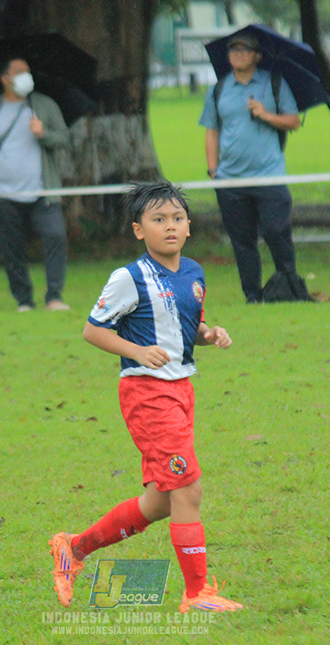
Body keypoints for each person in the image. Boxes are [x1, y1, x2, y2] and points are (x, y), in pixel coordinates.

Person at [49, 181, 242, 613]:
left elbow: (185, 328)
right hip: (147, 394)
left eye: (177, 218)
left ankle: (72, 550)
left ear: (189, 226)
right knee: (188, 489)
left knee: (160, 501)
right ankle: (197, 595)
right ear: (139, 230)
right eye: (158, 220)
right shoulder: (128, 278)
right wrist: (137, 351)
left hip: (182, 390)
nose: (169, 227)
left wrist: (210, 335)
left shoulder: (193, 273)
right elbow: (93, 330)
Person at [199, 31, 306, 304]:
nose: (237, 54)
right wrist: (213, 170)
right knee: (242, 241)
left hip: (268, 175)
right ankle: (252, 294)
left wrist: (265, 114)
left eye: (244, 50)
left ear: (257, 56)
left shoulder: (273, 83)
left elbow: (294, 121)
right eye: (233, 50)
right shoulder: (218, 90)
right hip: (230, 179)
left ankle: (288, 285)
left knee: (275, 231)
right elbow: (211, 130)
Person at [0, 56, 71, 313]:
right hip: (2, 193)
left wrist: (43, 134)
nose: (26, 76)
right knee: (12, 247)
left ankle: (54, 296)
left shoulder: (44, 105)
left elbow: (63, 138)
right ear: (4, 78)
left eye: (28, 71)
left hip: (42, 191)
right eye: (19, 72)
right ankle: (24, 300)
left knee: (55, 236)